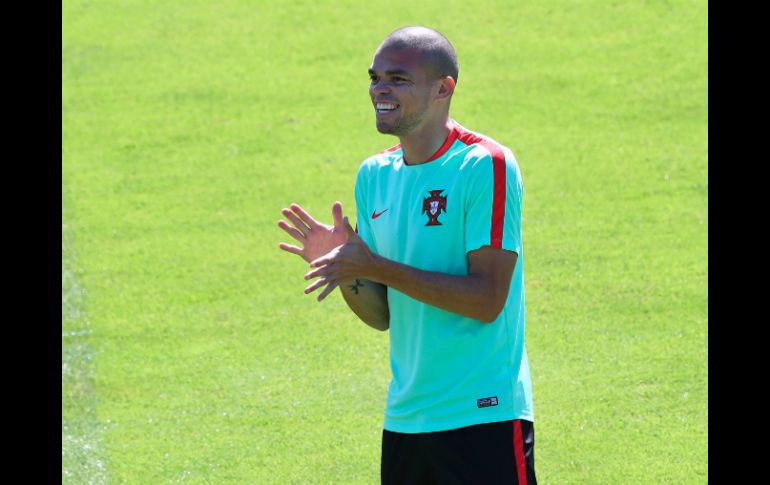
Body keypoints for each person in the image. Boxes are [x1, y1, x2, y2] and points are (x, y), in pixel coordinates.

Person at [278, 25, 537, 484]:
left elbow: (487, 299)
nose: (380, 89)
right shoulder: (374, 175)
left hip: (484, 415)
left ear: (443, 88)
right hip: (406, 420)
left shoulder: (484, 165)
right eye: (375, 77)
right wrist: (345, 270)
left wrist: (373, 265)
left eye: (397, 79)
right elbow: (381, 314)